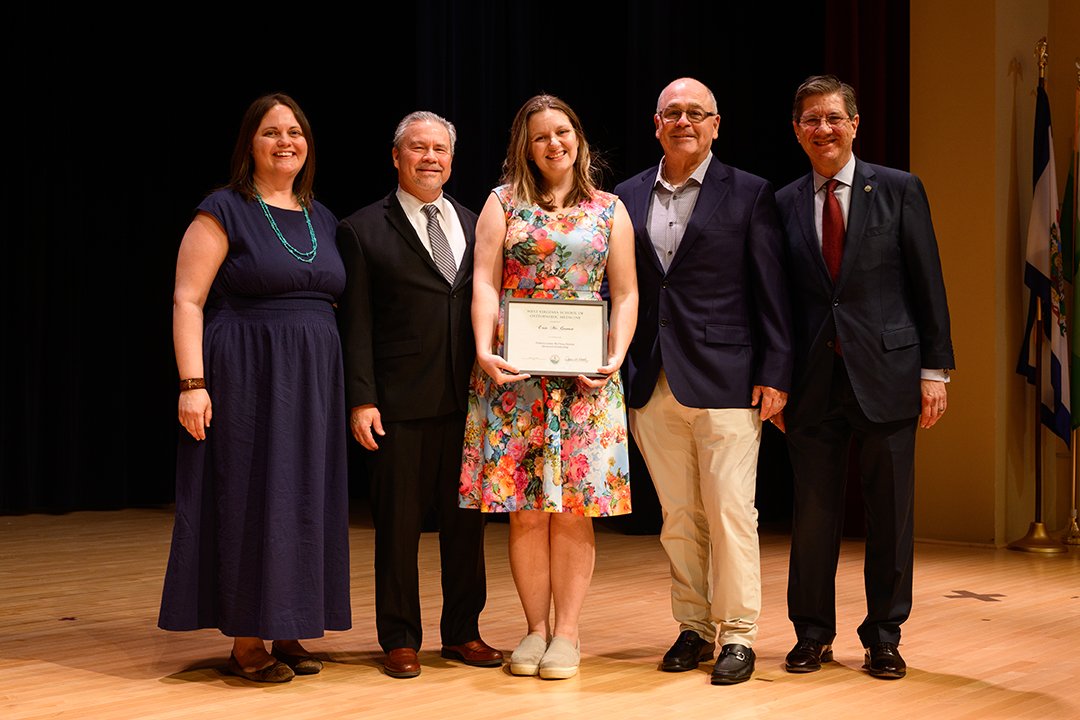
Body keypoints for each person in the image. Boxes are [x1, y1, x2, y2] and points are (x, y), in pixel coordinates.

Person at [158, 92, 351, 683]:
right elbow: (187, 300)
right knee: (251, 495)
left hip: (313, 379)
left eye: (295, 132)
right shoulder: (224, 208)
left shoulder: (320, 216)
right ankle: (247, 640)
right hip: (248, 372)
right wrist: (193, 383)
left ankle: (288, 623)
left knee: (302, 496)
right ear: (250, 144)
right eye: (271, 132)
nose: (286, 141)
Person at [774, 74, 954, 680]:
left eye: (832, 118)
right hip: (812, 384)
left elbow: (928, 284)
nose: (822, 129)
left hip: (891, 376)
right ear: (796, 130)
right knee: (813, 517)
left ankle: (884, 636)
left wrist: (935, 371)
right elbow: (777, 304)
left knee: (890, 514)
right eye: (810, 120)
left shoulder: (899, 189)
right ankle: (812, 635)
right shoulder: (783, 202)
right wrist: (775, 381)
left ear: (854, 125)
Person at [614, 77, 792, 686]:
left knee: (731, 512)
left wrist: (776, 372)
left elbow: (771, 293)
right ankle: (693, 626)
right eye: (673, 112)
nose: (684, 121)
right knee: (678, 515)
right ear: (655, 123)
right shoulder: (624, 196)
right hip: (650, 379)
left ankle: (738, 634)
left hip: (729, 380)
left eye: (697, 113)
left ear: (717, 124)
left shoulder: (749, 193)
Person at [459, 94, 637, 680]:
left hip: (586, 380)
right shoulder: (501, 204)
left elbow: (626, 292)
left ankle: (568, 634)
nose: (553, 144)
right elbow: (485, 281)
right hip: (515, 378)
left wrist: (615, 355)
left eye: (562, 132)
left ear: (578, 137)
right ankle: (534, 629)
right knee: (525, 513)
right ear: (526, 146)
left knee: (573, 511)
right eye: (541, 137)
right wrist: (484, 348)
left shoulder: (610, 209)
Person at [335, 111, 501, 679]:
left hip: (469, 402)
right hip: (398, 406)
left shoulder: (478, 222)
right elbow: (354, 326)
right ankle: (400, 638)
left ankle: (463, 632)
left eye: (440, 150)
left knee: (466, 530)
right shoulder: (361, 228)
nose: (431, 158)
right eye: (418, 149)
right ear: (397, 157)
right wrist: (361, 399)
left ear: (452, 159)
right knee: (399, 531)